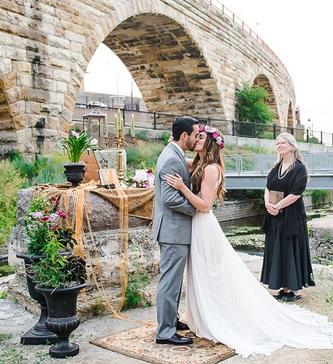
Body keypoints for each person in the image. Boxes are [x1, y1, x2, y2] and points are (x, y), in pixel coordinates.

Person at [165, 125, 333, 358]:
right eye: (196, 136)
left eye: (201, 137)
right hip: (198, 225)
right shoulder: (201, 164)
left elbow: (205, 205)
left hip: (205, 224)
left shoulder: (212, 169)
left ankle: (220, 314)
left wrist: (182, 187)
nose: (196, 139)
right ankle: (201, 314)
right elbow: (183, 165)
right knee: (201, 273)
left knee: (212, 273)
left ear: (211, 143)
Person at [153, 116, 199, 345]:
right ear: (184, 136)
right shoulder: (172, 159)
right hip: (172, 230)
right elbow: (170, 198)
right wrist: (195, 209)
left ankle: (171, 319)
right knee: (170, 282)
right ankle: (165, 332)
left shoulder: (175, 153)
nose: (196, 139)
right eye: (195, 135)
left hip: (173, 229)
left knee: (173, 281)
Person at [261, 132, 315, 302]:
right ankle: (282, 287)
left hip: (292, 216)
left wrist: (277, 206)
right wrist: (267, 204)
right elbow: (267, 188)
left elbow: (296, 193)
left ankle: (293, 290)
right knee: (278, 249)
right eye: (277, 143)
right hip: (275, 216)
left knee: (291, 249)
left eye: (283, 142)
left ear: (292, 146)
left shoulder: (299, 168)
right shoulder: (275, 168)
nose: (279, 145)